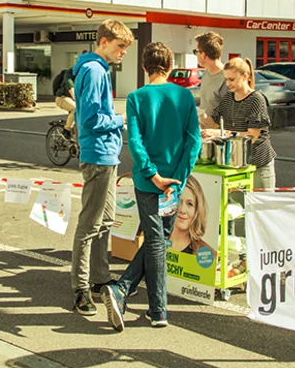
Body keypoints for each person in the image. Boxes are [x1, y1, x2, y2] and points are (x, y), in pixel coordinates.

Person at [101, 43, 201, 331]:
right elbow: (193, 140)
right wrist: (179, 178)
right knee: (159, 239)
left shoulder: (136, 97)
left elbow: (134, 141)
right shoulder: (184, 95)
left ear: (145, 67)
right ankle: (156, 310)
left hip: (148, 182)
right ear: (169, 66)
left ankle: (123, 289)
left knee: (157, 239)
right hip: (175, 181)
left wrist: (152, 174)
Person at [70, 19, 134, 316]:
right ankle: (81, 288)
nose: (123, 53)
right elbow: (93, 120)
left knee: (106, 221)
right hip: (98, 154)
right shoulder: (95, 71)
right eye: (120, 46)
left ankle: (99, 278)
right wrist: (121, 119)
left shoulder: (96, 69)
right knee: (89, 225)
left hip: (105, 154)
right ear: (105, 41)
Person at [202, 57, 277, 189]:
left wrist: (222, 133)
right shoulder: (228, 98)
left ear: (245, 76)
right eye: (226, 79)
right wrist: (198, 115)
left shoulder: (256, 99)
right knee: (239, 207)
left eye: (231, 79)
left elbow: (252, 135)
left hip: (259, 164)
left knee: (261, 208)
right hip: (236, 163)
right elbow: (213, 122)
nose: (228, 84)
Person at [166, 176, 215, 260]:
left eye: (190, 204)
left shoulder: (206, 253)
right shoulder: (156, 241)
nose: (182, 210)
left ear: (197, 210)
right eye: (179, 201)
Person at [193, 32, 226, 121]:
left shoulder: (227, 78)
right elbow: (205, 103)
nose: (196, 55)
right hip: (204, 130)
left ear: (203, 54)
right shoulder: (206, 73)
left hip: (218, 133)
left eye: (196, 51)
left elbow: (229, 115)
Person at [53, 67, 76, 132]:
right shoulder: (69, 73)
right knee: (75, 109)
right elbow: (70, 88)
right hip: (62, 98)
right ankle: (67, 130)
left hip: (72, 99)